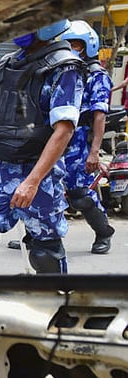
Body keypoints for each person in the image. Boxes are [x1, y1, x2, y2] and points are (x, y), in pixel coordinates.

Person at [0, 19, 83, 274]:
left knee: (45, 251)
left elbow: (64, 130)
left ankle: (56, 306)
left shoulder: (64, 66)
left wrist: (33, 181)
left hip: (37, 172)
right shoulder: (8, 63)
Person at [60, 20, 116, 253]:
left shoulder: (97, 76)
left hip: (79, 140)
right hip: (54, 137)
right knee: (44, 187)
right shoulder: (63, 71)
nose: (70, 48)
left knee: (80, 194)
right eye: (67, 44)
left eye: (75, 44)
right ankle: (38, 235)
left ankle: (103, 232)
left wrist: (94, 152)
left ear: (87, 46)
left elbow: (99, 117)